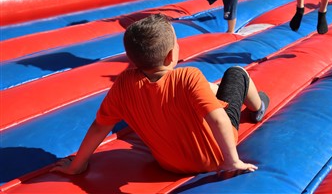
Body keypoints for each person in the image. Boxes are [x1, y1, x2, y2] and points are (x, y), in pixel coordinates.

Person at [51, 13, 269, 176]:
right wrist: (232, 161)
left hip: (171, 164)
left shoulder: (123, 85)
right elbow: (219, 119)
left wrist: (77, 166)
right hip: (215, 157)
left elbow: (99, 127)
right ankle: (257, 105)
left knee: (209, 89)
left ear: (130, 58)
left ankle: (216, 92)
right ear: (172, 54)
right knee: (236, 73)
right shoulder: (188, 77)